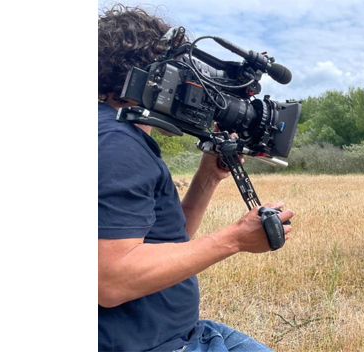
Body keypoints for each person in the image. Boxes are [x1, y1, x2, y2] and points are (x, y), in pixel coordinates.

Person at [97, 5, 294, 351]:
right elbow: (110, 279)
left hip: (178, 332)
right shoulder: (118, 143)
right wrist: (234, 239)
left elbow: (157, 246)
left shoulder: (111, 131)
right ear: (152, 73)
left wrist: (207, 177)